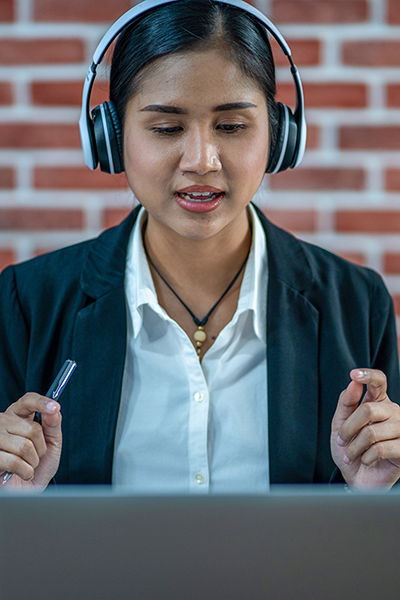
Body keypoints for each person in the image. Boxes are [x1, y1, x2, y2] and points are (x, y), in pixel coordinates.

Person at [0, 0, 400, 493]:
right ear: (109, 137)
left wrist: (374, 499)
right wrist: (11, 502)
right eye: (167, 128)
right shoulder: (27, 302)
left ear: (279, 135)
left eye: (231, 126)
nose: (201, 160)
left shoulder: (357, 303)